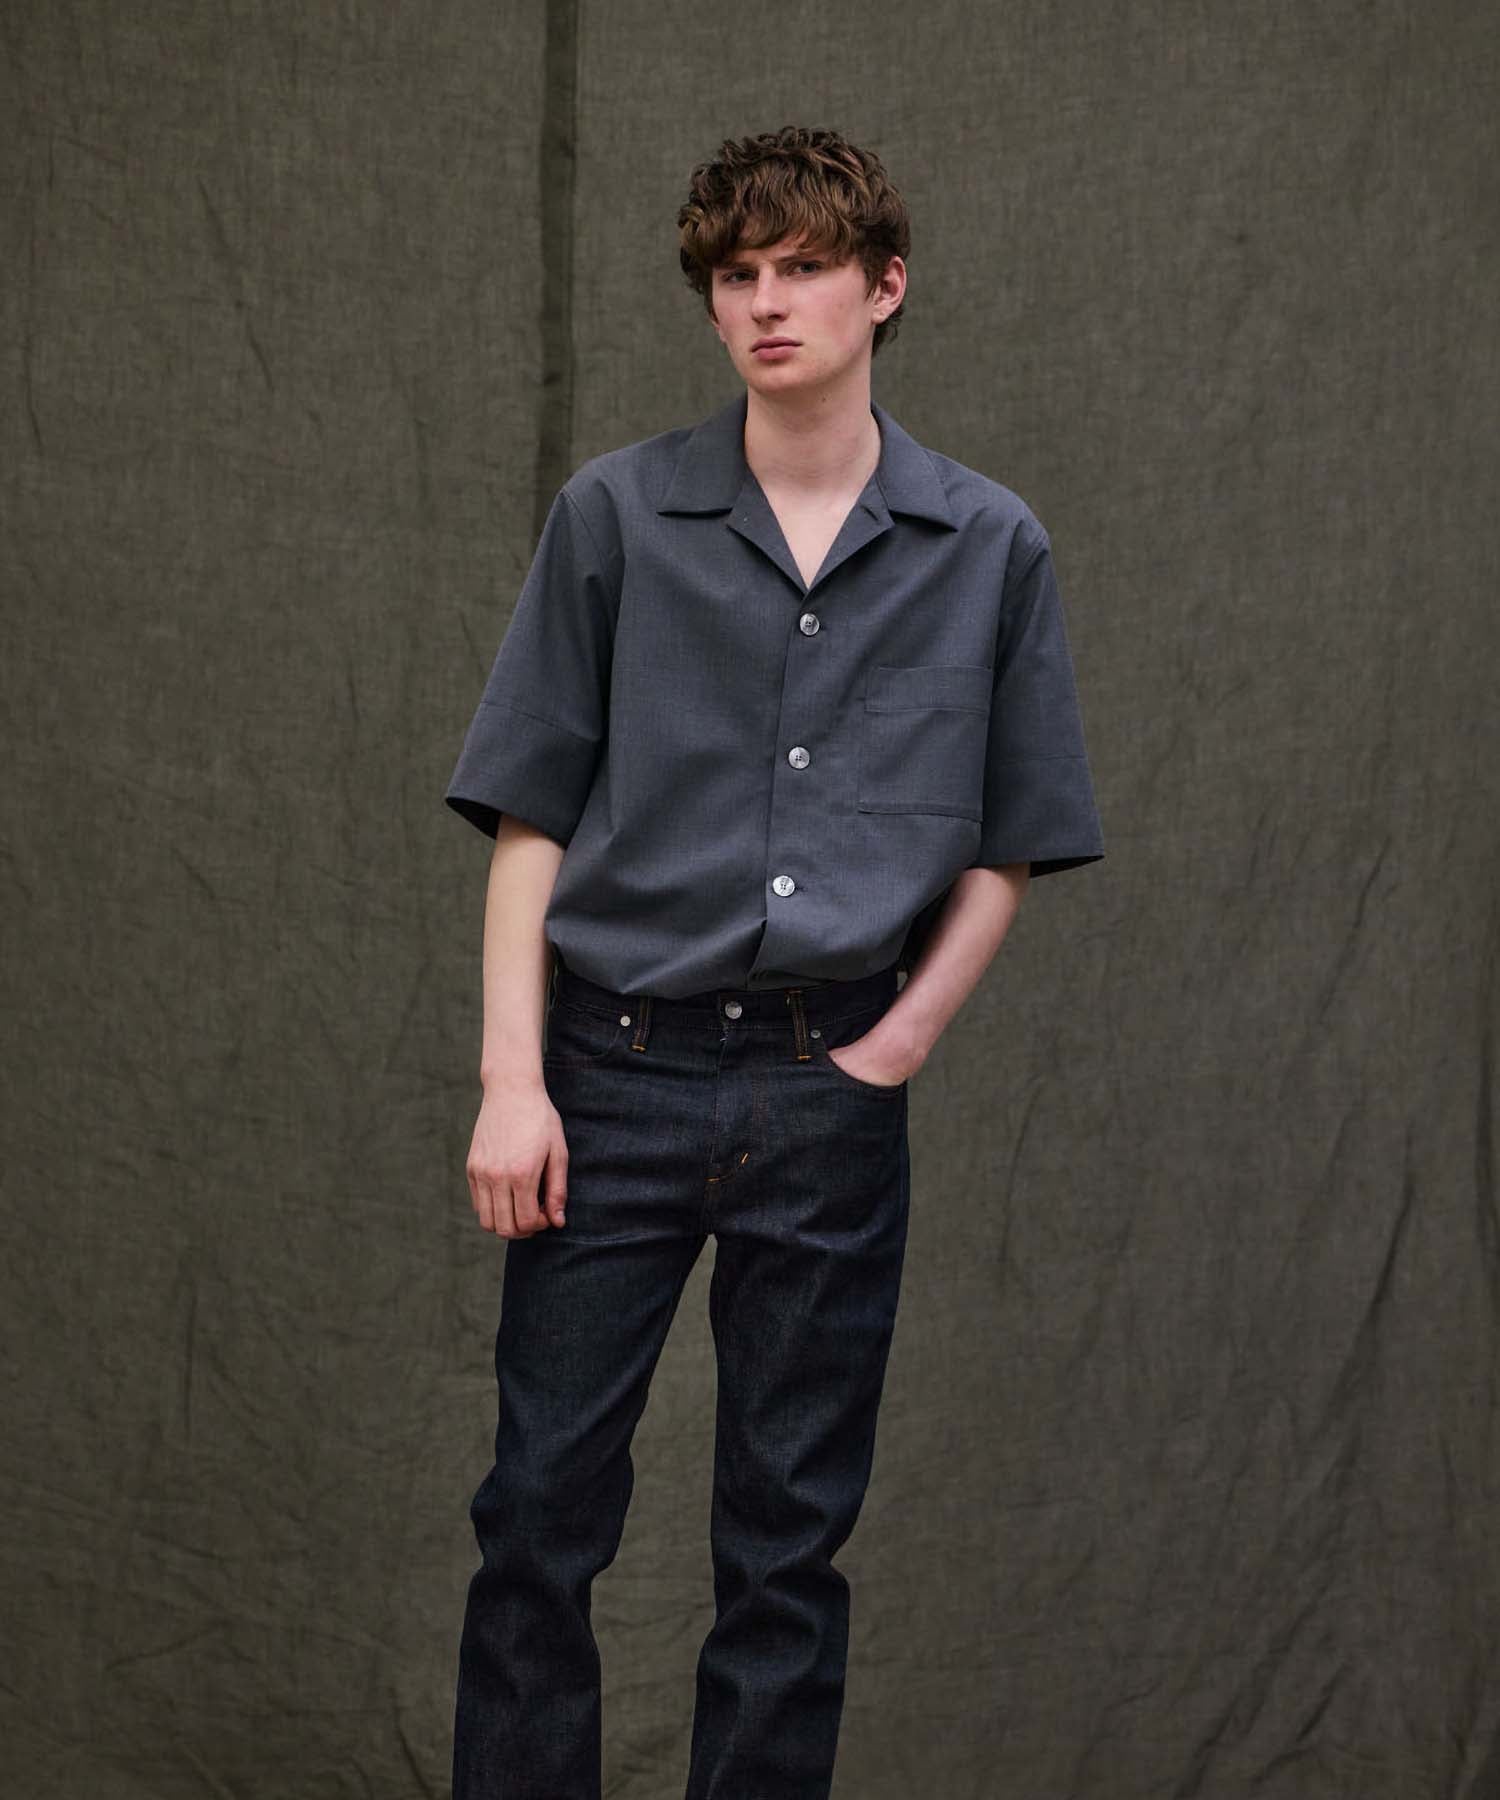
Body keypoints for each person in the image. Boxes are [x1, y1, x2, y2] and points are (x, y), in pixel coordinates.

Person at [443, 124, 1104, 1800]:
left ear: (885, 287)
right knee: (538, 1518)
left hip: (828, 1093)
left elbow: (1010, 843)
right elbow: (529, 820)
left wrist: (895, 1050)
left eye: (804, 267)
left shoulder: (988, 545)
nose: (766, 302)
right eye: (737, 275)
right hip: (609, 1079)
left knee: (787, 1548)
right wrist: (514, 1081)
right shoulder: (616, 517)